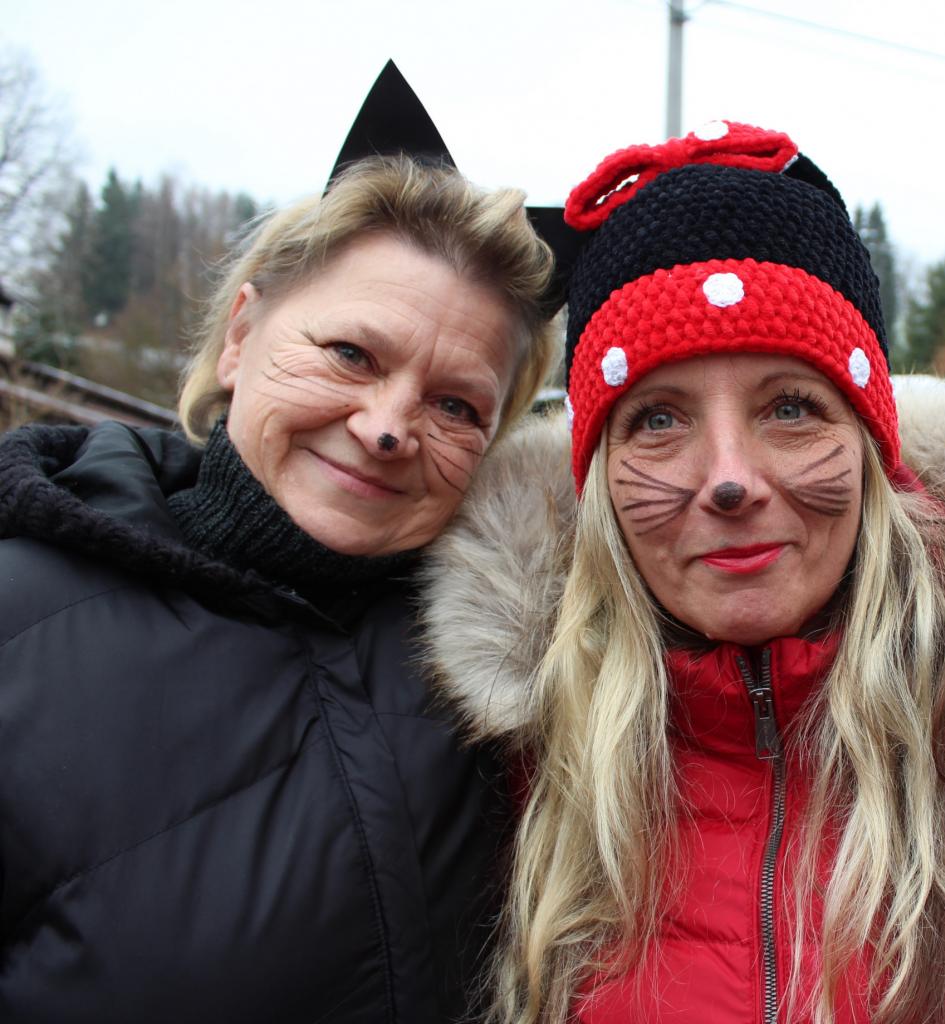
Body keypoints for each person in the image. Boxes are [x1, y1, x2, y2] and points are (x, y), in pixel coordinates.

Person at [419, 122, 945, 1023]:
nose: (729, 479)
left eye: (791, 408)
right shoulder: (503, 754)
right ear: (596, 479)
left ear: (871, 447)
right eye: (658, 420)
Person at [0, 153, 559, 1021]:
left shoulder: (517, 665)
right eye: (351, 355)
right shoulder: (20, 622)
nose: (387, 429)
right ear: (239, 336)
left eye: (456, 407)